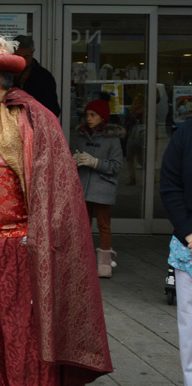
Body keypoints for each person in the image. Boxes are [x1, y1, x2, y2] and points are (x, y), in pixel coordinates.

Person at [0, 35, 112, 386]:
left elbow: (51, 186)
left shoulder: (30, 118)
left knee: (22, 320)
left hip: (19, 240)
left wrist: (37, 237)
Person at [160, 118, 192, 386]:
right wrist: (188, 232)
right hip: (190, 249)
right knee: (191, 334)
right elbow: (170, 185)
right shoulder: (186, 134)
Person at [71, 99, 124, 278]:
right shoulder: (81, 135)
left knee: (103, 225)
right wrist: (75, 160)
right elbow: (73, 156)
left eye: (93, 115)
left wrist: (95, 162)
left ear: (103, 117)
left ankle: (104, 263)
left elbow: (116, 166)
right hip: (83, 186)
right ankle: (80, 260)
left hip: (102, 187)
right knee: (82, 225)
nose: (89, 118)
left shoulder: (112, 139)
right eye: (87, 115)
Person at [13, 35, 61, 118]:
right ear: (12, 53)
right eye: (18, 56)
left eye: (26, 57)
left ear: (32, 53)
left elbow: (53, 110)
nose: (22, 60)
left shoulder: (44, 77)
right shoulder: (4, 74)